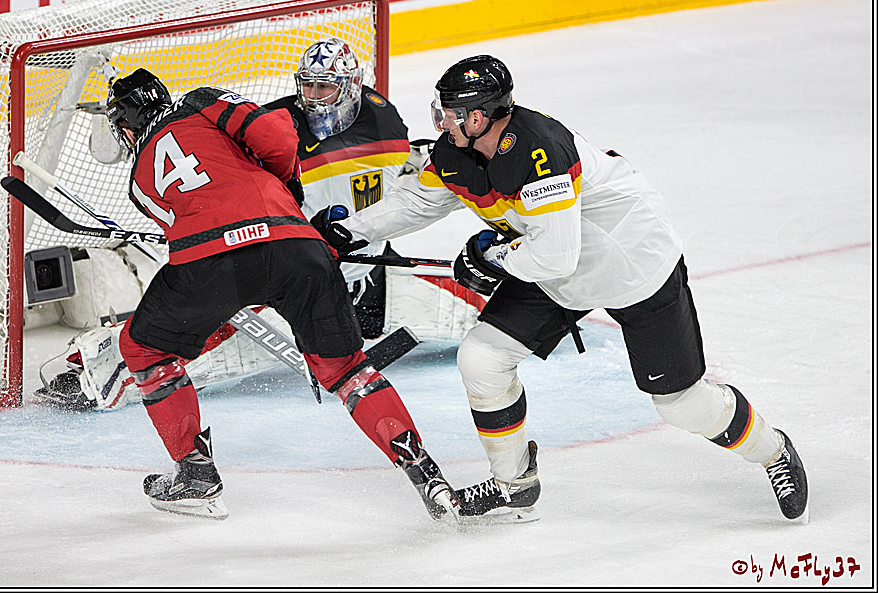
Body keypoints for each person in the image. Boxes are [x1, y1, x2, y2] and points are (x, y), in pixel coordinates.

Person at [311, 55, 808, 523]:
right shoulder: (457, 151)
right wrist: (348, 232)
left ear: (480, 117)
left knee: (682, 404)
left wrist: (492, 258)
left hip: (631, 262)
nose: (442, 121)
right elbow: (420, 201)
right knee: (482, 359)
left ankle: (773, 451)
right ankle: (514, 485)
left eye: (452, 113)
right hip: (553, 263)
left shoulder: (541, 151)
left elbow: (554, 256)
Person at [101, 67, 458, 520]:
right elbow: (278, 137)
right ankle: (428, 477)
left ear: (127, 127)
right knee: (347, 369)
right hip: (295, 246)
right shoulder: (201, 102)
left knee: (142, 348)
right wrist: (288, 196)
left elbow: (187, 226)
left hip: (210, 263)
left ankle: (194, 475)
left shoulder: (138, 181)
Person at [265, 37, 441, 338]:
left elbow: (395, 172)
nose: (313, 96)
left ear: (350, 85)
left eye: (324, 86)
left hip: (368, 262)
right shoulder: (276, 124)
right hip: (307, 269)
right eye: (307, 85)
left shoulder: (382, 118)